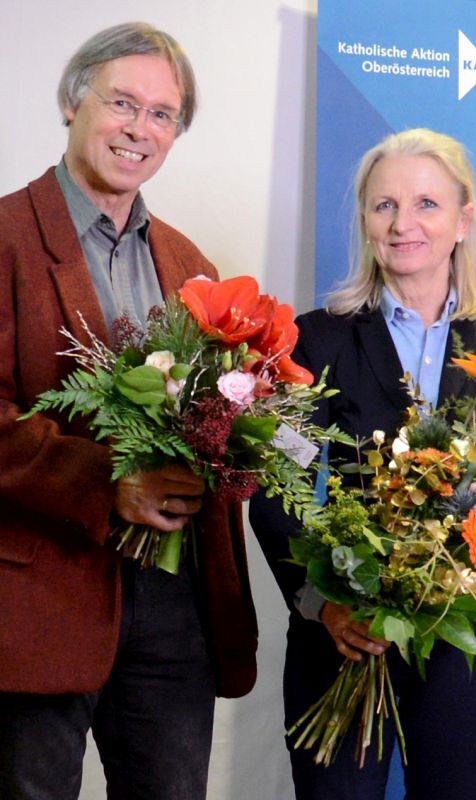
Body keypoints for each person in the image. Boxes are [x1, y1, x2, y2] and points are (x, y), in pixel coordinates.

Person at [249, 128, 476, 800]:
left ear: (463, 220)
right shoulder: (316, 339)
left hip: (470, 632)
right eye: (383, 206)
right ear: (366, 222)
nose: (403, 225)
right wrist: (322, 605)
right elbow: (275, 491)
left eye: (426, 204)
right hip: (347, 632)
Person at [0, 23, 258, 800]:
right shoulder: (6, 238)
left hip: (175, 609)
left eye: (162, 114)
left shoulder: (192, 265)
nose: (139, 129)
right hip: (40, 602)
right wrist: (104, 480)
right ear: (75, 100)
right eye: (122, 102)